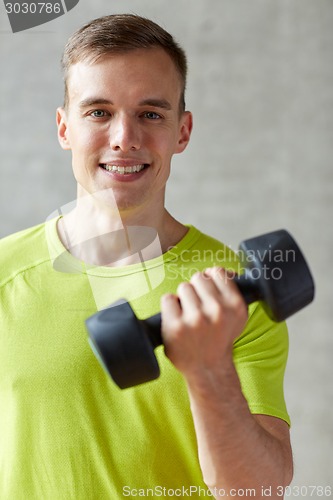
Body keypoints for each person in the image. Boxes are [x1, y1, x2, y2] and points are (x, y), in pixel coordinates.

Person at [0, 14, 293, 499]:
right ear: (63, 127)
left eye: (151, 113)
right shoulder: (5, 274)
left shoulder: (234, 293)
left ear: (182, 131)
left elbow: (257, 493)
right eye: (98, 112)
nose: (124, 138)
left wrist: (208, 369)